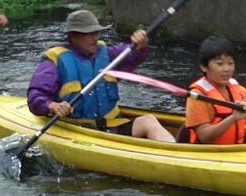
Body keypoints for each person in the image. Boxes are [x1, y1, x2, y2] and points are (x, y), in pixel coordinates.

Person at [27, 9, 175, 142]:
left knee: (149, 121)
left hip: (110, 125)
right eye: (88, 34)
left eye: (96, 32)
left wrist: (140, 45)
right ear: (72, 36)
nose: (95, 38)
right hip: (78, 129)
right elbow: (35, 97)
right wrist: (54, 106)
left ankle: (173, 156)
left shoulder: (107, 55)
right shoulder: (54, 61)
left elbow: (133, 55)